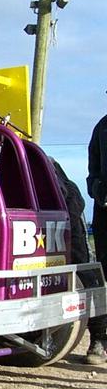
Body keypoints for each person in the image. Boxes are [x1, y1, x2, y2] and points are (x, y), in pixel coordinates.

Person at [86, 113, 107, 364]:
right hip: (105, 215)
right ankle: (100, 340)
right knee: (102, 277)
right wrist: (98, 189)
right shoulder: (102, 127)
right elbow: (92, 172)